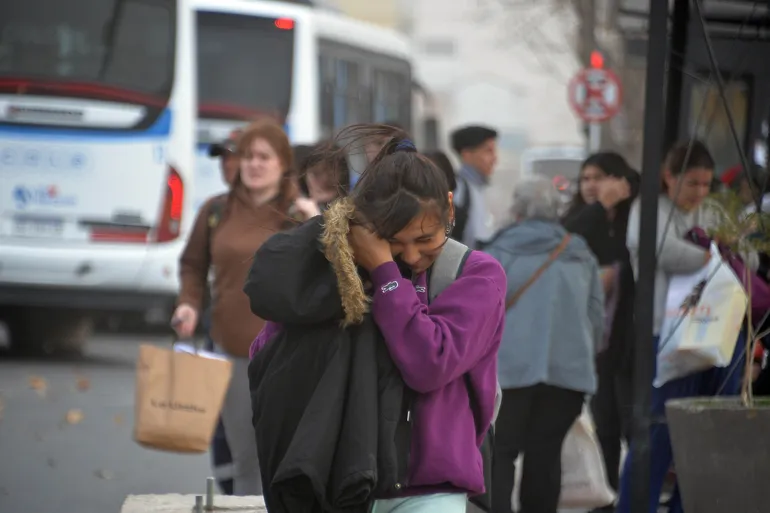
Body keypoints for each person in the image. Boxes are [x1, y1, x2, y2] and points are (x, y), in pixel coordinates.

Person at [247, 124, 507, 513]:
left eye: (425, 241)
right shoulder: (347, 273)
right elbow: (270, 350)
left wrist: (384, 269)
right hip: (343, 482)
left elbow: (430, 362)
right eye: (395, 242)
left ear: (449, 209)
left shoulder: (477, 275)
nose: (412, 257)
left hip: (431, 487)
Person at [171, 118, 319, 495]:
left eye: (264, 157)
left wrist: (319, 223)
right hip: (232, 351)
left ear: (284, 163)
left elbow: (330, 275)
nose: (253, 164)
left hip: (289, 356)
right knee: (246, 457)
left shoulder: (301, 215)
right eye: (247, 156)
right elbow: (192, 265)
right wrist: (189, 304)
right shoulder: (216, 210)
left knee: (287, 456)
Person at [617, 140, 745, 513]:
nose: (700, 192)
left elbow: (744, 257)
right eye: (692, 183)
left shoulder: (713, 211)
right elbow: (662, 251)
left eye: (706, 184)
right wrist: (712, 255)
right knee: (660, 431)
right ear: (668, 177)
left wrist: (727, 251)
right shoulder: (648, 209)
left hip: (717, 333)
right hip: (667, 333)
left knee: (708, 432)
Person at [485, 177, 604, 513]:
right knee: (545, 455)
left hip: (507, 375)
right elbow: (596, 317)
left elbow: (481, 313)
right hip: (568, 374)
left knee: (500, 453)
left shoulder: (495, 252)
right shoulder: (580, 252)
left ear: (517, 210)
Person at [562, 152, 640, 511]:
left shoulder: (635, 217)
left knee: (630, 422)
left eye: (599, 177)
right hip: (591, 337)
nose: (591, 185)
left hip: (628, 333)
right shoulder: (582, 218)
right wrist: (599, 207)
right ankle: (605, 498)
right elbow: (564, 241)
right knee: (603, 420)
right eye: (585, 178)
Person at [450, 125, 498, 249]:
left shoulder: (479, 187)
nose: (495, 159)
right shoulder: (459, 189)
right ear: (467, 154)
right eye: (488, 151)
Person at [295, 140, 350, 209]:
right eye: (316, 173)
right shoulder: (296, 212)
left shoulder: (354, 212)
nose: (324, 179)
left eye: (331, 174)